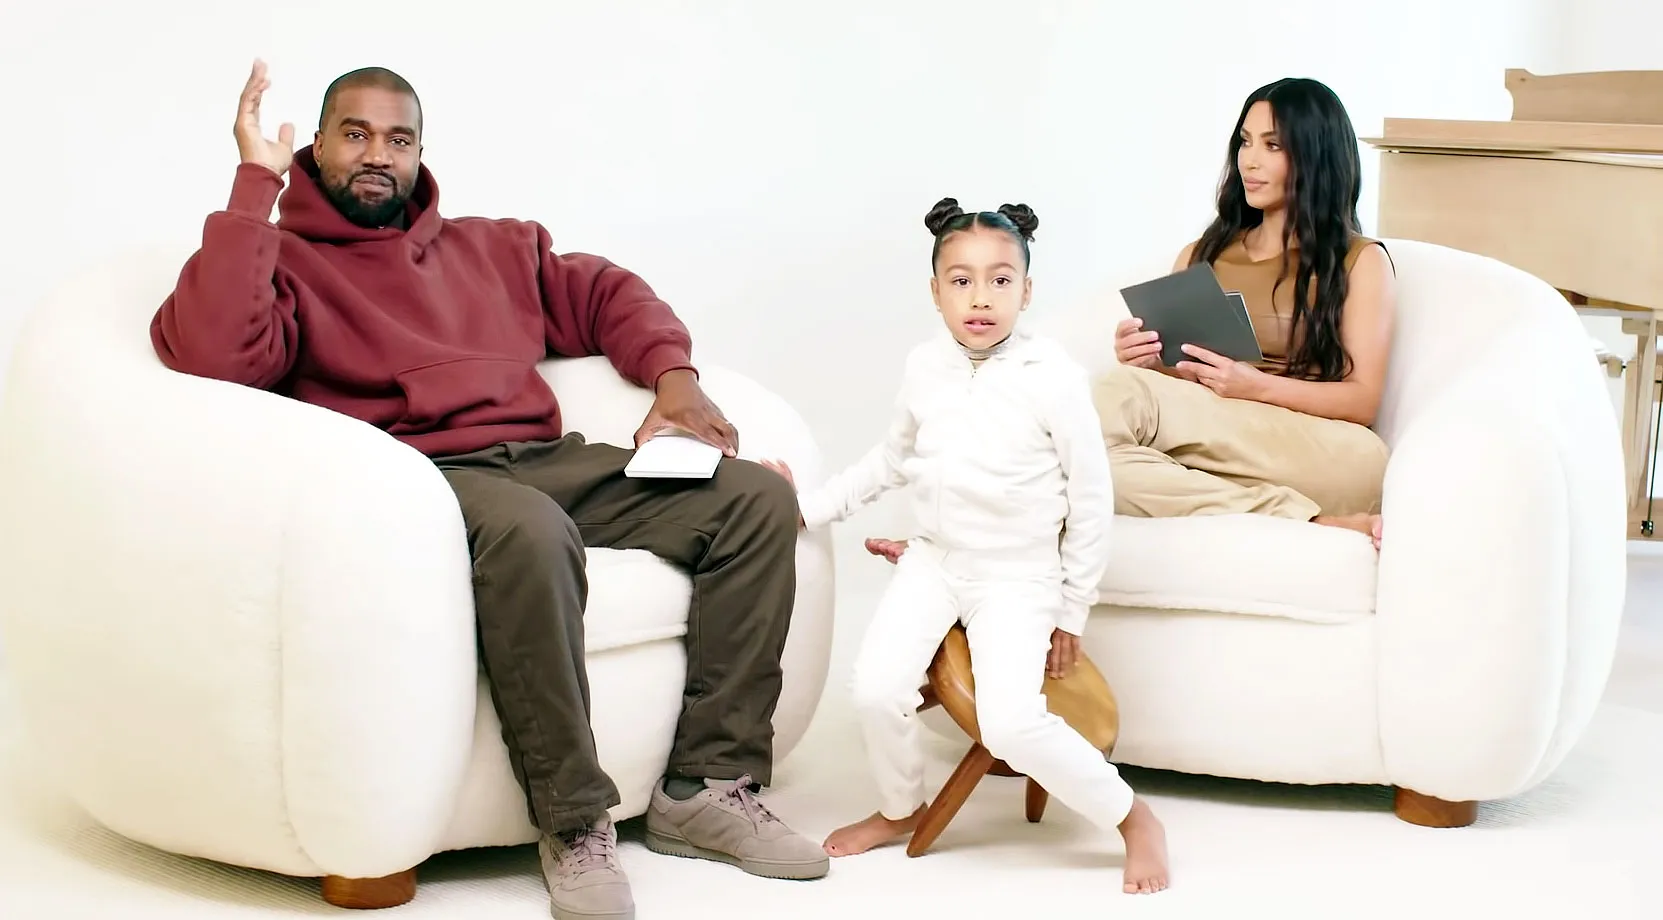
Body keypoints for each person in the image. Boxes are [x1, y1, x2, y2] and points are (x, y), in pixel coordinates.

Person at [150, 60, 828, 920]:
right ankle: (573, 822)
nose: (377, 154)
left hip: (545, 458)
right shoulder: (282, 263)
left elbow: (605, 292)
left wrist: (673, 378)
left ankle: (706, 788)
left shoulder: (496, 247)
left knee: (754, 502)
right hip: (418, 478)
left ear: (420, 152)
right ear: (316, 146)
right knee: (530, 530)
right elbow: (212, 354)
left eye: (398, 139)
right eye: (354, 134)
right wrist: (255, 184)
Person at [762, 198, 1171, 895]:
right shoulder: (925, 365)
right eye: (961, 280)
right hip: (935, 560)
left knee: (1010, 725)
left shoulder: (1053, 377)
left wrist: (1071, 609)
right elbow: (890, 461)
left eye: (1000, 280)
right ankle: (900, 807)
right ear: (936, 291)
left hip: (1018, 577)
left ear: (1026, 291)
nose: (981, 298)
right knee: (874, 689)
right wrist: (805, 508)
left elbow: (1090, 499)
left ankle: (1132, 818)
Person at [1103, 77, 1395, 547]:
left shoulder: (1360, 261)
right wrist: (1151, 360)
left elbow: (1362, 401)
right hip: (1218, 440)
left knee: (1110, 402)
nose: (1249, 161)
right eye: (1244, 141)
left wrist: (1255, 386)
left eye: (1272, 145)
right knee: (1092, 460)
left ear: (1316, 156)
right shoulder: (1202, 253)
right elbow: (1188, 382)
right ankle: (1304, 520)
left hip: (1326, 450)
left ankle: (1221, 495)